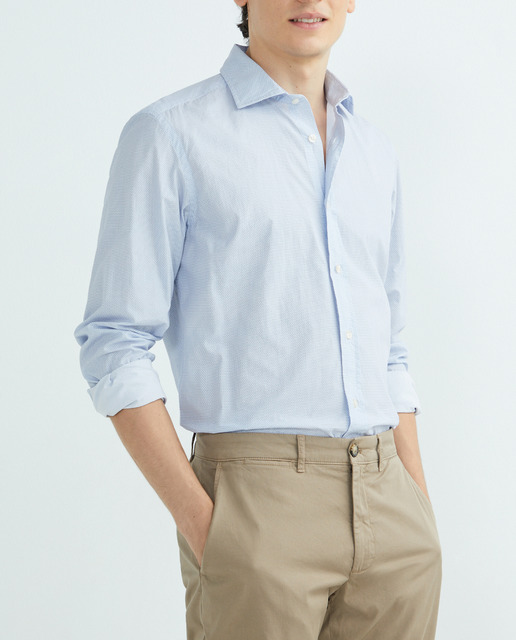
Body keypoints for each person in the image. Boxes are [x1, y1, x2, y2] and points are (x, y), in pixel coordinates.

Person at [74, 1, 442, 638]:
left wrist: (417, 504)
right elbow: (115, 343)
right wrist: (206, 527)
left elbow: (389, 348)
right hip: (256, 505)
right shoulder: (170, 134)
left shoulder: (374, 152)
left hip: (391, 504)